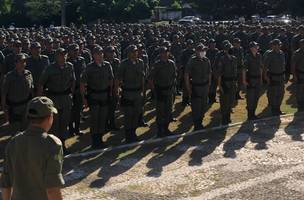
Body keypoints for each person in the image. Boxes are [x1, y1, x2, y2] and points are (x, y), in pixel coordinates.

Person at [0, 96, 64, 200]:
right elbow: (52, 189)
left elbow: (5, 184)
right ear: (50, 117)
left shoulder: (13, 142)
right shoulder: (52, 144)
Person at [38, 48, 76, 154]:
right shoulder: (50, 68)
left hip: (66, 98)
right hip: (54, 98)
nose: (63, 57)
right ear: (56, 56)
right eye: (60, 55)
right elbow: (41, 83)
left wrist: (71, 94)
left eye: (64, 55)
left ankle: (62, 144)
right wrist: (40, 99)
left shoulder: (70, 66)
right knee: (54, 123)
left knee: (65, 122)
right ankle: (54, 145)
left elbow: (73, 80)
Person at [80, 45, 114, 149]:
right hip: (94, 96)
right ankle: (95, 141)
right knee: (95, 119)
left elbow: (111, 79)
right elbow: (82, 83)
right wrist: (84, 98)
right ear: (93, 55)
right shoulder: (89, 67)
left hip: (104, 95)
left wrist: (111, 92)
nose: (99, 56)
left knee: (103, 118)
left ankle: (100, 139)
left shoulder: (107, 65)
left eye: (101, 53)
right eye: (97, 54)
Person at [116, 45, 145, 143]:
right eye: (132, 52)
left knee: (137, 114)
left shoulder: (140, 62)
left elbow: (142, 77)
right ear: (128, 53)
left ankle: (133, 132)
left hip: (137, 92)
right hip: (127, 92)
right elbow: (118, 78)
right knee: (129, 114)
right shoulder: (124, 64)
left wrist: (143, 91)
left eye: (135, 51)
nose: (134, 53)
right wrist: (118, 92)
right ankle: (128, 135)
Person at [1, 53, 34, 133]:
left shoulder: (28, 74)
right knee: (15, 131)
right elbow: (4, 93)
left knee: (26, 129)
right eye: (20, 62)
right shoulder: (9, 76)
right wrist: (5, 109)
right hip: (14, 108)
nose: (23, 64)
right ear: (15, 63)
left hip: (26, 106)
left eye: (24, 62)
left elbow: (31, 90)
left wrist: (32, 104)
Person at [149, 46, 177, 137]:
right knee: (160, 112)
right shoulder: (157, 65)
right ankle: (160, 130)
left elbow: (174, 76)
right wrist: (154, 90)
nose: (165, 54)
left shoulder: (171, 63)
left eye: (166, 52)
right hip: (160, 91)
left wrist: (172, 87)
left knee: (168, 111)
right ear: (160, 54)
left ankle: (166, 128)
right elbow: (151, 78)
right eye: (163, 53)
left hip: (169, 91)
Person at [185, 44, 211, 131]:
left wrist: (209, 84)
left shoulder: (206, 60)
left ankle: (200, 121)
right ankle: (197, 124)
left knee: (204, 105)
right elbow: (187, 74)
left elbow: (209, 72)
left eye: (204, 51)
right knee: (196, 106)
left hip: (205, 86)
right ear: (197, 51)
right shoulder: (192, 61)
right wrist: (188, 88)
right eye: (202, 51)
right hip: (196, 87)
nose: (203, 52)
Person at [216, 41, 238, 125]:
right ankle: (224, 118)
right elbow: (219, 74)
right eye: (229, 49)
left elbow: (235, 72)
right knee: (224, 101)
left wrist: (235, 82)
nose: (231, 50)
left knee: (231, 100)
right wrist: (219, 85)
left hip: (232, 82)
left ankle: (228, 116)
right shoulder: (222, 59)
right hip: (225, 83)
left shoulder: (234, 59)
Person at [67, 44, 86, 136]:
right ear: (69, 52)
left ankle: (77, 129)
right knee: (70, 111)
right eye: (73, 50)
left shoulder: (81, 60)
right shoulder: (67, 61)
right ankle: (71, 130)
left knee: (78, 110)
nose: (76, 52)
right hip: (69, 89)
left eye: (77, 50)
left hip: (79, 88)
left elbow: (84, 73)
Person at [263, 39, 286, 116]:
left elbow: (283, 66)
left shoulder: (282, 53)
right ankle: (273, 110)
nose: (278, 46)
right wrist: (266, 77)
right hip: (273, 77)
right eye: (276, 45)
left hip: (281, 77)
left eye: (279, 44)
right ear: (273, 46)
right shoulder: (270, 54)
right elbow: (265, 67)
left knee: (281, 93)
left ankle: (278, 109)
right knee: (273, 94)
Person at [243, 42, 263, 120]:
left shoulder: (259, 56)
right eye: (255, 46)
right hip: (251, 80)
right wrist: (244, 80)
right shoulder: (248, 57)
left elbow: (260, 68)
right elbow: (244, 69)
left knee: (256, 97)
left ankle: (253, 113)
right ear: (251, 48)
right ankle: (250, 115)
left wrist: (261, 78)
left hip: (258, 79)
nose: (257, 48)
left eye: (257, 46)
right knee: (250, 98)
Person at [291, 39, 304, 112]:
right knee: (300, 91)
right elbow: (293, 65)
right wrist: (294, 75)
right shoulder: (297, 53)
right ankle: (300, 105)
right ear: (300, 45)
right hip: (300, 74)